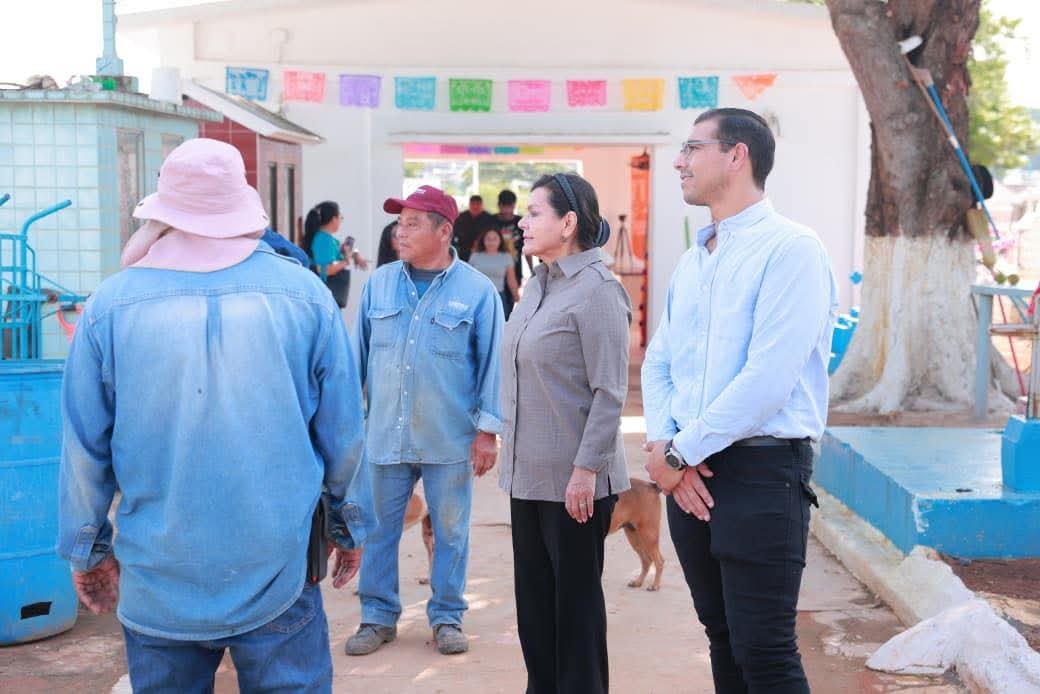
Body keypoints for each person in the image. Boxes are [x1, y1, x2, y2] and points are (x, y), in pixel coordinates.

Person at [57, 138, 375, 692]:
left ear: (164, 210)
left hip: (158, 573)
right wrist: (348, 525)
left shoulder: (110, 305)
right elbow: (343, 432)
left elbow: (85, 448)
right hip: (277, 568)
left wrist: (88, 547)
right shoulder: (305, 295)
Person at [642, 108, 838, 693]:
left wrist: (678, 454)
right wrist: (664, 445)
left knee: (765, 650)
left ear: (736, 155)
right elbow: (659, 362)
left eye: (691, 148)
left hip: (760, 471)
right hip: (688, 476)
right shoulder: (695, 260)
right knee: (723, 640)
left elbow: (767, 380)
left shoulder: (791, 249)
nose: (678, 161)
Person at [346, 184, 504, 657]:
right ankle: (377, 616)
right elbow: (355, 360)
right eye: (400, 223)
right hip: (385, 434)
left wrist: (488, 432)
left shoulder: (477, 291)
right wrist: (348, 425)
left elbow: (493, 365)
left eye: (412, 223)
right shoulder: (379, 284)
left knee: (451, 532)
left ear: (444, 231)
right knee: (378, 530)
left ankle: (448, 616)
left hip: (448, 437)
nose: (401, 232)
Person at [499, 172, 631, 694]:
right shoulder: (538, 283)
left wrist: (585, 471)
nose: (522, 222)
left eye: (534, 213)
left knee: (575, 618)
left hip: (575, 484)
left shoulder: (598, 290)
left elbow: (610, 392)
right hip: (527, 475)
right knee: (535, 615)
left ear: (569, 222)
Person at [302, 201, 370, 308]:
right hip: (326, 298)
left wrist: (355, 254)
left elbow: (340, 252)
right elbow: (324, 270)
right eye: (340, 217)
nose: (341, 220)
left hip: (326, 298)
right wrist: (345, 262)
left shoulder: (326, 239)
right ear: (334, 219)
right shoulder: (324, 240)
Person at [469, 227, 520, 319]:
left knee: (499, 325)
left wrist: (517, 298)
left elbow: (511, 280)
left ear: (500, 240)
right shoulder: (475, 256)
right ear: (483, 240)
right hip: (477, 298)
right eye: (488, 239)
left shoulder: (506, 257)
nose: (491, 242)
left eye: (494, 239)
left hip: (498, 296)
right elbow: (469, 279)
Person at [493, 189, 534, 283]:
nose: (507, 211)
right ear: (499, 205)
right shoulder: (491, 221)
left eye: (510, 207)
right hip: (495, 272)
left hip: (515, 271)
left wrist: (532, 270)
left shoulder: (520, 222)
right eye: (504, 207)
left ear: (514, 205)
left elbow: (527, 249)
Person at [451, 194, 495, 263]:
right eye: (473, 204)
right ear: (469, 205)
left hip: (483, 251)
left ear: (482, 206)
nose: (475, 207)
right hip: (463, 251)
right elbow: (456, 234)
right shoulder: (461, 217)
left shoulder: (489, 218)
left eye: (478, 204)